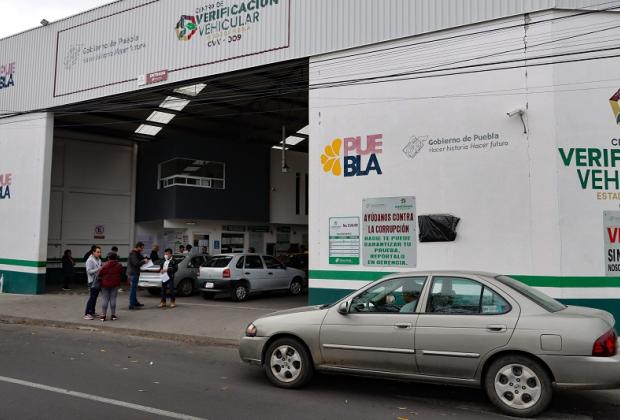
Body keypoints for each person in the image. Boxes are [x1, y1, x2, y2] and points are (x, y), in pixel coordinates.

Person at [98, 252, 123, 321]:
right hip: (115, 284)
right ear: (116, 258)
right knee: (113, 299)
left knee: (105, 299)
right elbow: (121, 273)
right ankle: (113, 315)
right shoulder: (119, 265)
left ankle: (103, 315)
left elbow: (99, 274)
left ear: (108, 258)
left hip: (105, 284)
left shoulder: (104, 265)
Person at [127, 242, 149, 310]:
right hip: (133, 274)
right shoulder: (133, 254)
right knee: (132, 290)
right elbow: (136, 263)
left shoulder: (137, 253)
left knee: (134, 289)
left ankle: (135, 302)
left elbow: (141, 258)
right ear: (138, 247)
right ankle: (131, 305)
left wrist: (145, 258)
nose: (142, 249)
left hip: (135, 273)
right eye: (141, 248)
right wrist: (144, 261)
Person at [83, 246, 102, 320]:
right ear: (93, 252)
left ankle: (92, 312)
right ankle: (87, 313)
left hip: (97, 281)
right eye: (97, 252)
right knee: (92, 297)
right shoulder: (90, 260)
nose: (99, 253)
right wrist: (98, 269)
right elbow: (89, 271)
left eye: (100, 252)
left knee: (95, 297)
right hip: (92, 281)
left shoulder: (99, 260)